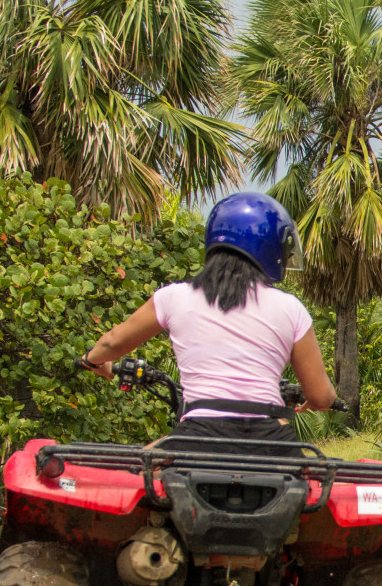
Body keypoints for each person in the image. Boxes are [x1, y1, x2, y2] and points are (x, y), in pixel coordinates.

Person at [81, 192, 335, 453]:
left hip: (196, 437)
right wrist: (326, 399)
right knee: (311, 477)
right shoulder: (290, 307)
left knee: (139, 468)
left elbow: (112, 342)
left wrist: (93, 360)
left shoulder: (173, 296)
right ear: (271, 248)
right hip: (270, 441)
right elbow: (319, 396)